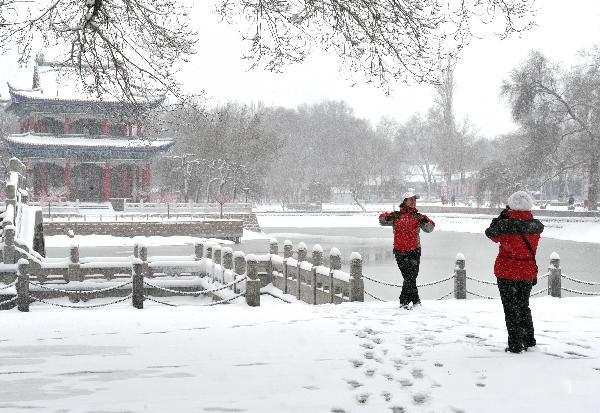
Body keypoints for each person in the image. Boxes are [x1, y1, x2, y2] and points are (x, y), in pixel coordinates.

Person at [485, 191, 544, 353]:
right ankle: (529, 340)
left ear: (510, 205)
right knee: (523, 306)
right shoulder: (535, 226)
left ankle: (515, 344)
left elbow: (490, 233)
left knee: (510, 309)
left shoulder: (504, 225)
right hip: (526, 272)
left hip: (507, 272)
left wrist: (501, 216)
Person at [379, 191, 435, 309]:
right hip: (400, 251)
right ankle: (414, 302)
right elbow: (382, 221)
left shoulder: (418, 217)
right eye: (410, 199)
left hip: (415, 250)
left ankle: (406, 302)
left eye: (414, 199)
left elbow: (430, 229)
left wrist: (427, 220)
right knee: (409, 277)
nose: (413, 201)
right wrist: (387, 215)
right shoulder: (397, 216)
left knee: (411, 277)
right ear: (404, 201)